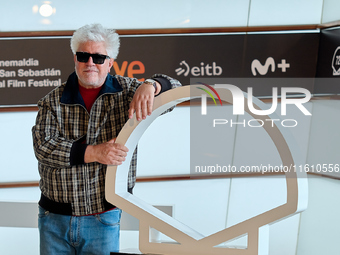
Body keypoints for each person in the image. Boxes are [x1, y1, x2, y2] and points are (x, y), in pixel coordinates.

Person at [32, 23, 181, 255]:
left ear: (110, 62)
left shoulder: (129, 91)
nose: (90, 62)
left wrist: (152, 85)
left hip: (104, 216)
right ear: (75, 59)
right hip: (54, 219)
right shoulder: (52, 101)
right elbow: (43, 147)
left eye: (98, 57)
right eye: (84, 56)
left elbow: (176, 91)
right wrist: (95, 152)